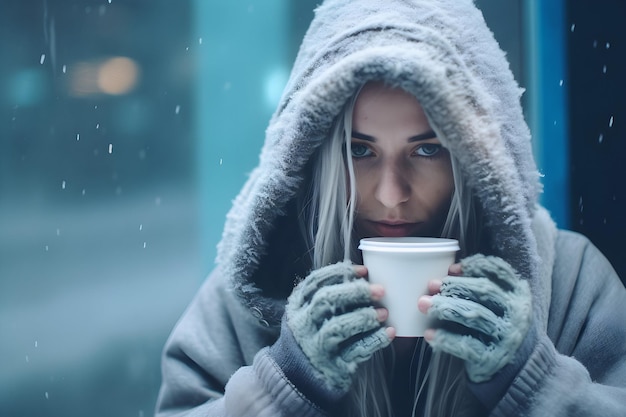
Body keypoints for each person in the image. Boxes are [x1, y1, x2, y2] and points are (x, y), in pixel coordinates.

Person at [155, 0, 626, 416]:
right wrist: (284, 385)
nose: (390, 194)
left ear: (476, 160)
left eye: (427, 150)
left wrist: (530, 382)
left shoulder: (569, 282)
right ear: (313, 155)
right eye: (359, 151)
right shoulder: (250, 300)